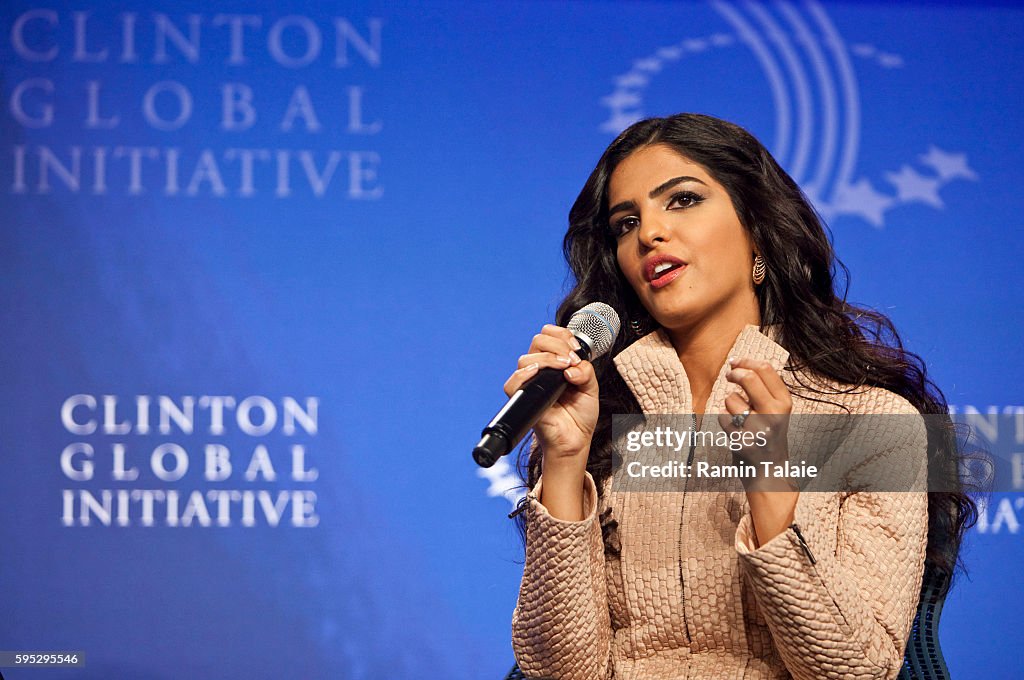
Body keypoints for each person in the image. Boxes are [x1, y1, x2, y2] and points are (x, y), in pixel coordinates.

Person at [507, 113, 974, 679]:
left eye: (681, 200)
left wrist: (773, 490)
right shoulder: (603, 425)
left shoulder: (870, 422)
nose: (649, 233)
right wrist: (562, 460)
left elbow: (854, 670)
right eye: (626, 222)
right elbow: (556, 672)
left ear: (757, 229)